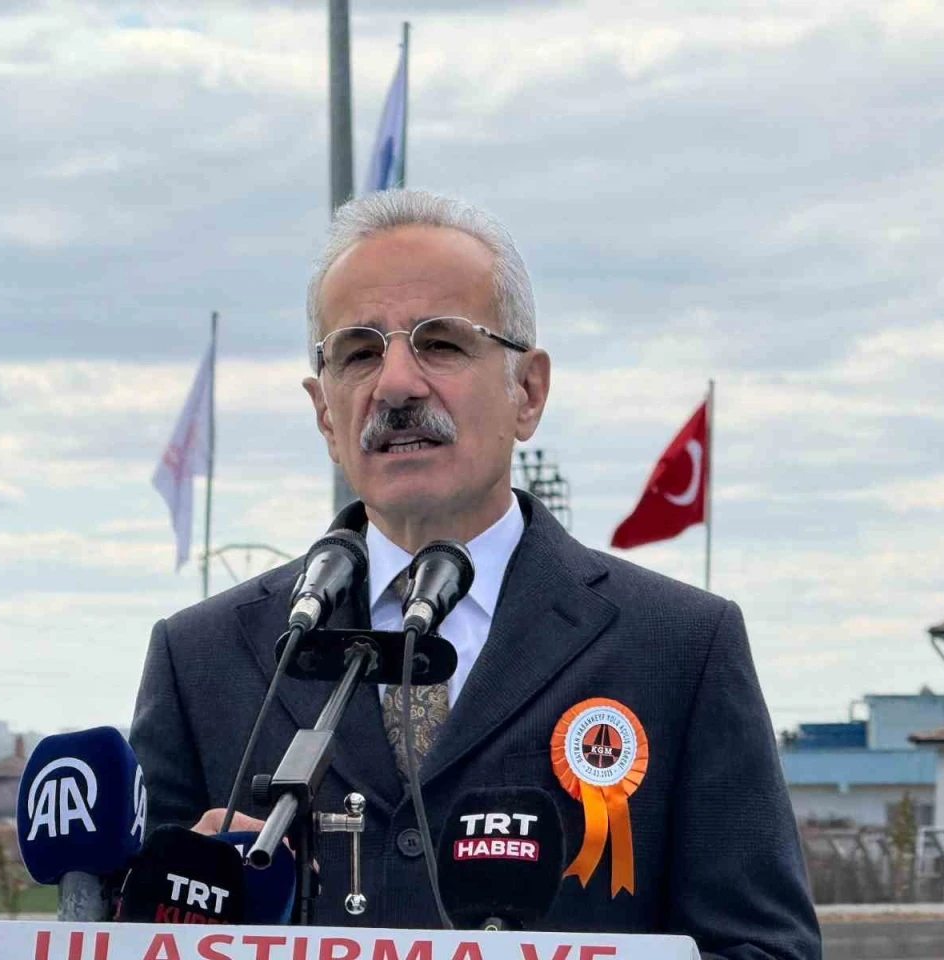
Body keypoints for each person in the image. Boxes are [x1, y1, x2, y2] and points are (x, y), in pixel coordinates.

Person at [130, 190, 820, 957]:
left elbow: (764, 948)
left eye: (441, 344)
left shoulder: (679, 648)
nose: (396, 384)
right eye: (358, 353)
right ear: (324, 413)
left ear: (529, 391)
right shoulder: (201, 660)